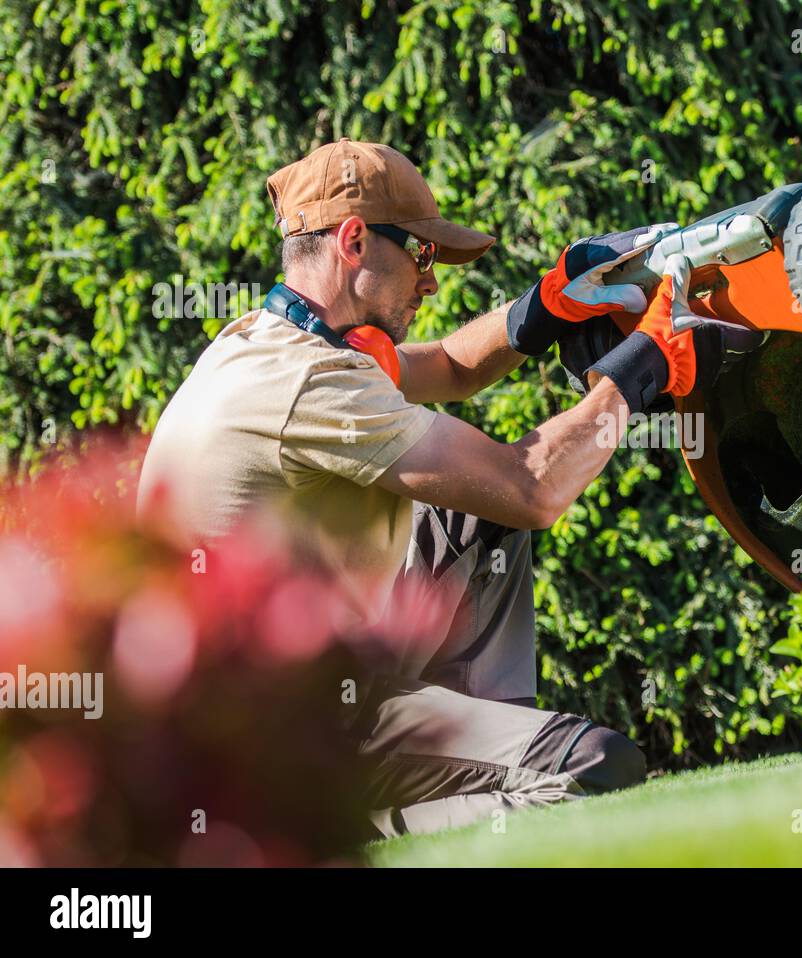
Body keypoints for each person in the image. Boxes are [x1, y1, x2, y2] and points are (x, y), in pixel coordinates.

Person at [136, 138, 761, 835]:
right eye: (422, 256)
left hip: (305, 687)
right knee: (595, 769)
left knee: (474, 518)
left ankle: (482, 750)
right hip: (283, 745)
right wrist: (646, 365)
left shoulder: (263, 343)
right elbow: (533, 486)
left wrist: (548, 306)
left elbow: (453, 366)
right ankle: (342, 835)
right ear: (353, 242)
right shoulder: (309, 384)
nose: (430, 282)